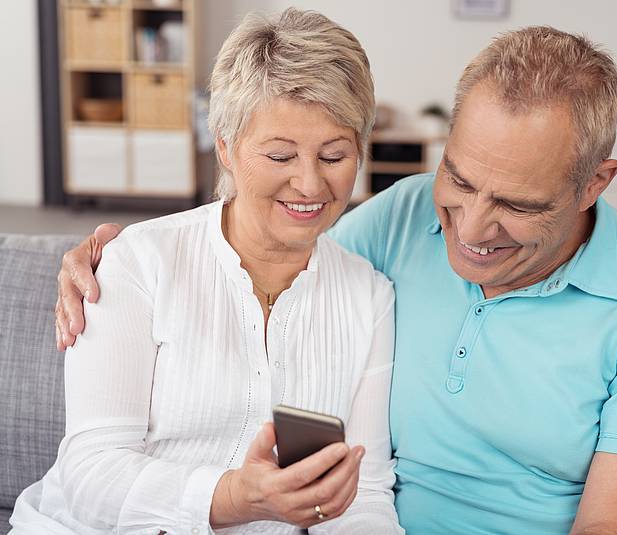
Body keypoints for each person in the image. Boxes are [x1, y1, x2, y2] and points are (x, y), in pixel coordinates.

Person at [53, 24, 617, 535]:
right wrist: (113, 256)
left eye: (517, 205)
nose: (472, 228)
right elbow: (288, 253)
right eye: (458, 177)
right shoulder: (403, 218)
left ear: (593, 184)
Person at [11, 9, 404, 535]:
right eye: (281, 155)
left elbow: (364, 494)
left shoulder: (368, 297)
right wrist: (235, 497)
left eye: (334, 156)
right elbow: (91, 475)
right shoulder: (138, 263)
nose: (310, 185)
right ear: (225, 145)